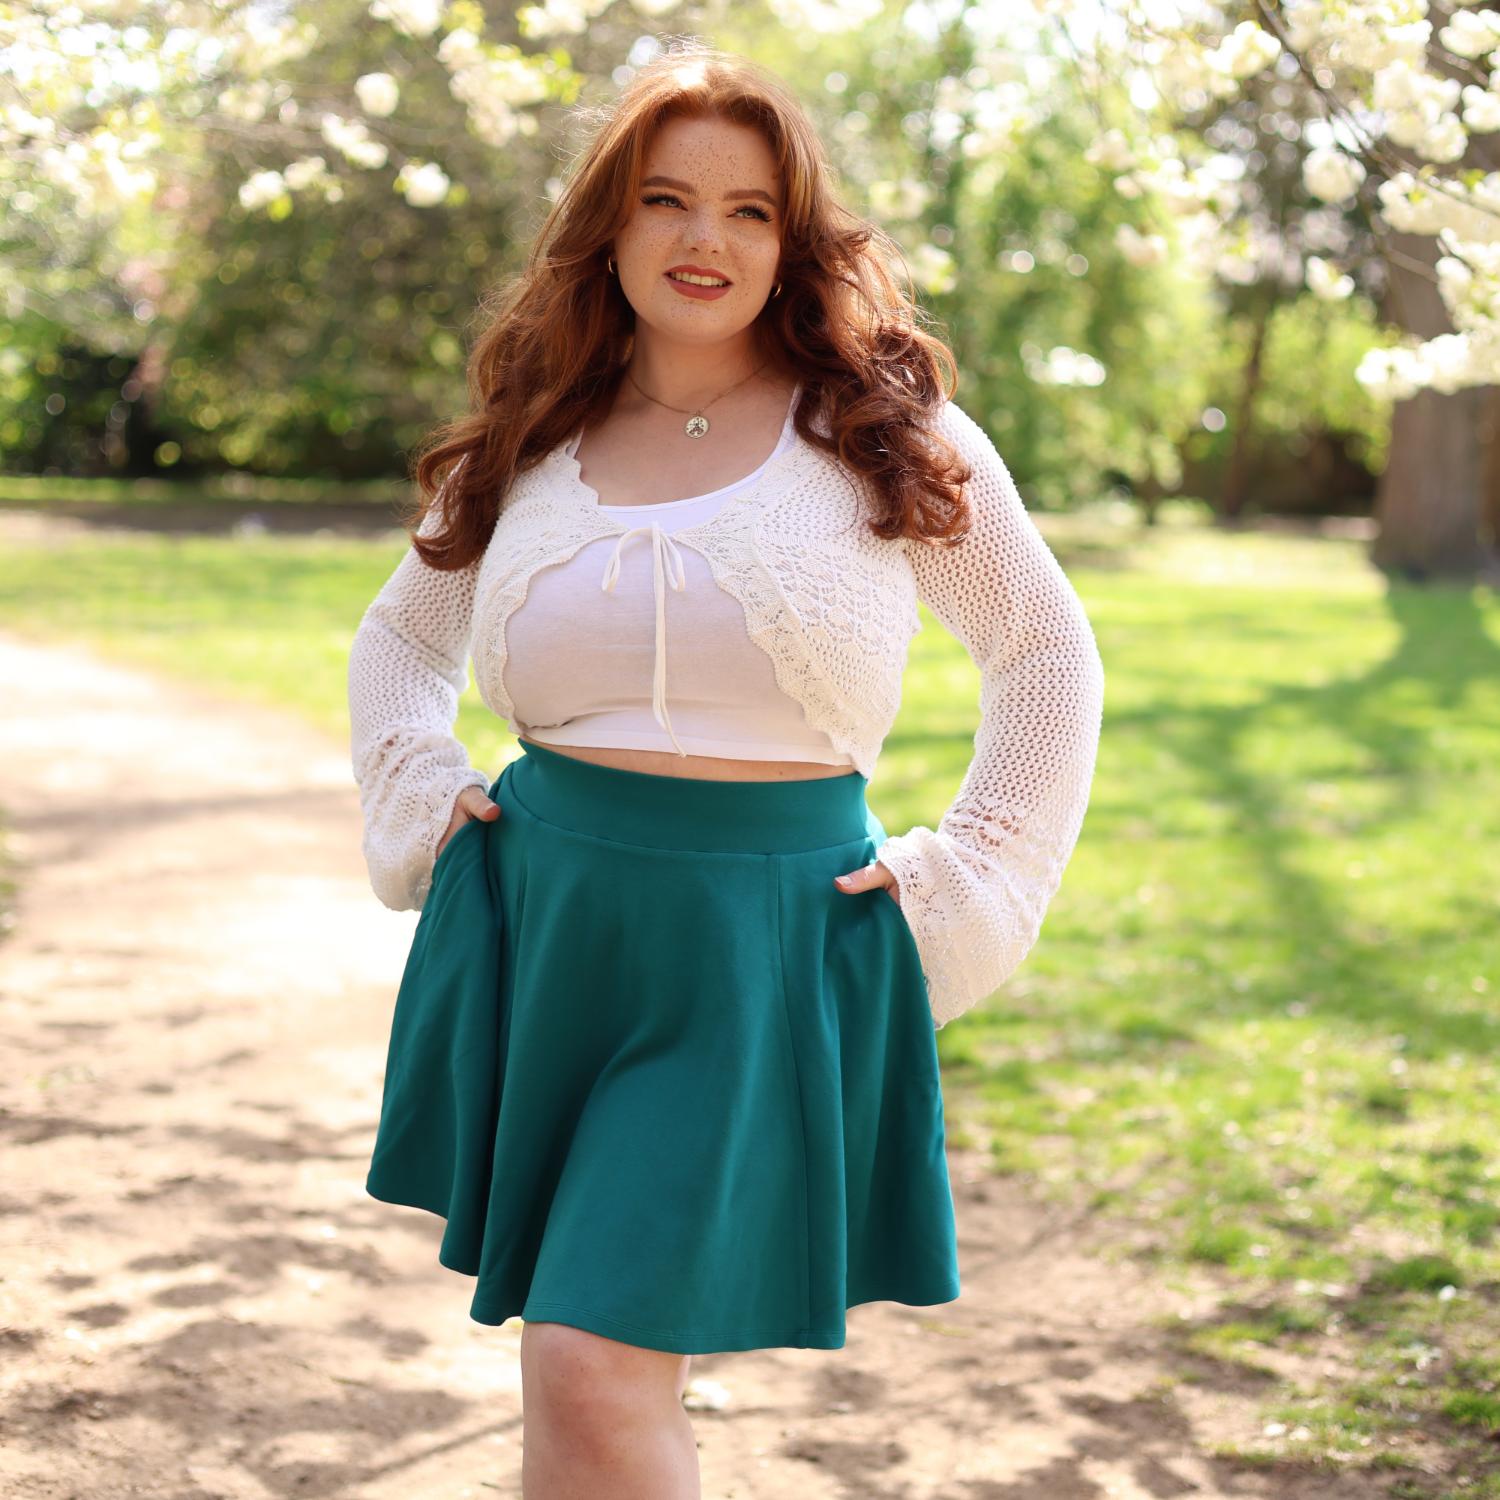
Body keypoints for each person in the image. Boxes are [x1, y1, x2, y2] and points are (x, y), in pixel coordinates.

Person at [347, 41, 1104, 1500]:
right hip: (547, 924)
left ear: (794, 237)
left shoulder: (886, 435)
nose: (706, 240)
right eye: (667, 200)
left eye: (751, 210)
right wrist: (419, 787)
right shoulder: (529, 438)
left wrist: (980, 871)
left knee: (588, 1353)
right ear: (610, 227)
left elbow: (1047, 657)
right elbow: (399, 639)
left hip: (761, 942)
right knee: (572, 1363)